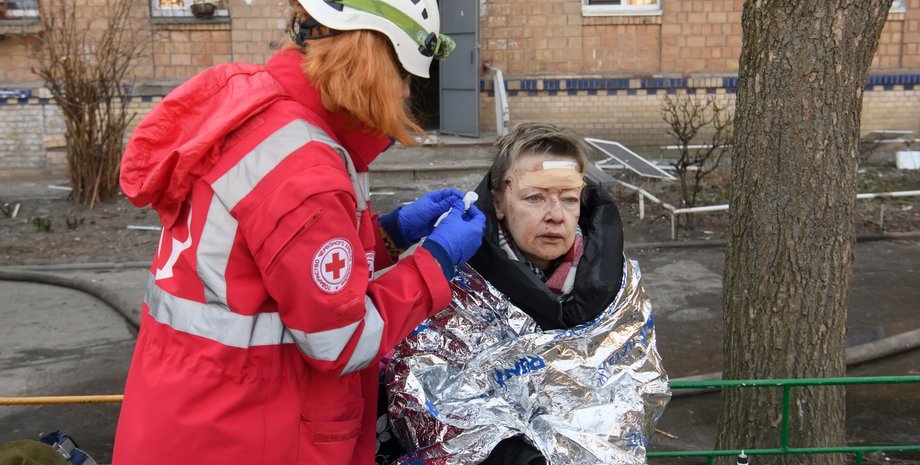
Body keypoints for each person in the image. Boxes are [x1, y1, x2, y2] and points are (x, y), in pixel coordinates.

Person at [112, 1, 485, 464]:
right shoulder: (302, 170)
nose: (407, 92)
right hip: (245, 434)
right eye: (404, 74)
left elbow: (285, 268)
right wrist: (436, 261)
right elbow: (345, 341)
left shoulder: (275, 122)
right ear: (369, 60)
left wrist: (390, 232)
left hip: (194, 413)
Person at [380, 123, 670, 465]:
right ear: (500, 203)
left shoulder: (620, 284)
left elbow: (637, 388)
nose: (555, 216)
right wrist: (513, 456)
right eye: (535, 197)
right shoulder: (452, 282)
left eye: (569, 198)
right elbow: (418, 396)